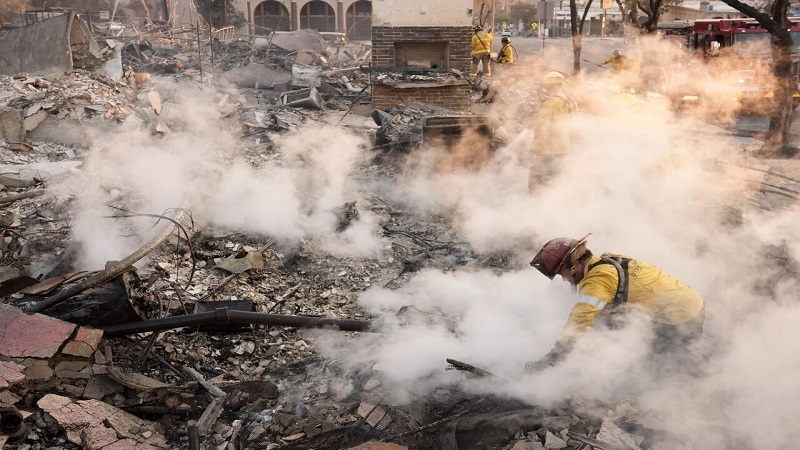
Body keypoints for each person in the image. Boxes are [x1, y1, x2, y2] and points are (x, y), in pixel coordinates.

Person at [526, 234, 705, 372]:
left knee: (653, 368)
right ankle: (697, 356)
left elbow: (581, 319)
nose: (564, 279)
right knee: (617, 324)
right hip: (692, 301)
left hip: (680, 317)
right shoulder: (609, 259)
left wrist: (555, 356)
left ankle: (691, 376)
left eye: (561, 274)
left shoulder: (597, 281)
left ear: (573, 266)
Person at [529, 71, 578, 190]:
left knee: (536, 180)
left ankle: (535, 204)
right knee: (556, 182)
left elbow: (542, 127)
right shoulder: (571, 102)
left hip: (548, 149)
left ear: (548, 86)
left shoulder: (550, 103)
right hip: (565, 147)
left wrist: (536, 147)